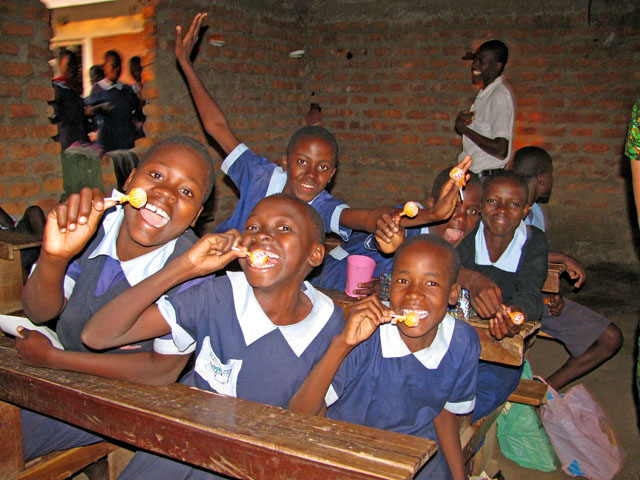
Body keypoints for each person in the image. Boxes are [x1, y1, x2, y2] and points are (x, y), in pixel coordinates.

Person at [80, 194, 346, 479]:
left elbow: (307, 424)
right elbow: (97, 336)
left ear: (315, 254)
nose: (263, 237)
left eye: (284, 229)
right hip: (178, 448)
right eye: (253, 229)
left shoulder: (329, 324)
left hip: (254, 464)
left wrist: (341, 346)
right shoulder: (216, 295)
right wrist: (184, 268)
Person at [174, 14, 463, 239]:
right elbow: (216, 127)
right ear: (285, 162)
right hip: (222, 270)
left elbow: (367, 217)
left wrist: (432, 214)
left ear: (332, 175)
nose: (311, 174)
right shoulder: (259, 176)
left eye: (323, 167)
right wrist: (186, 64)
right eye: (302, 161)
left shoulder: (321, 207)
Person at [16, 136, 214, 461]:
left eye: (186, 191)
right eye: (157, 176)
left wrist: (53, 360)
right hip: (57, 369)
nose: (166, 193)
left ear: (196, 216)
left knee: (13, 430)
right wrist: (54, 257)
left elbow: (158, 372)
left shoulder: (195, 271)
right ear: (129, 180)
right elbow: (38, 311)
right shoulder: (95, 225)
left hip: (124, 396)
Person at [289, 234, 480, 480]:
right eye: (403, 280)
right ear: (389, 287)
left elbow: (443, 412)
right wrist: (342, 344)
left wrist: (458, 476)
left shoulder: (462, 342)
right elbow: (299, 415)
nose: (414, 294)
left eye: (431, 284)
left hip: (415, 453)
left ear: (453, 294)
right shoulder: (365, 337)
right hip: (349, 450)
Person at [511, 146, 623, 390]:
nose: (552, 180)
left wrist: (550, 292)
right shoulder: (507, 209)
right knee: (611, 338)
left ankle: (544, 389)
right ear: (541, 177)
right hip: (512, 297)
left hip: (533, 295)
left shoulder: (535, 213)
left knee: (610, 337)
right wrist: (561, 258)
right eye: (551, 174)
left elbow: (530, 261)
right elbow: (512, 255)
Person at [455, 170, 548, 421]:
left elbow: (531, 295)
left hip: (499, 343)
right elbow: (442, 265)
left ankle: (457, 431)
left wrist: (514, 316)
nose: (502, 210)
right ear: (482, 204)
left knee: (490, 385)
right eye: (493, 201)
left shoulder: (533, 242)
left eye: (514, 204)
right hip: (459, 336)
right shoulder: (466, 234)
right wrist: (468, 280)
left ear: (526, 210)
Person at [309, 169, 481, 295]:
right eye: (453, 207)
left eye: (472, 211)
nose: (462, 219)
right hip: (324, 286)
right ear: (432, 204)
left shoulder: (461, 248)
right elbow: (386, 221)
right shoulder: (410, 218)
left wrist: (388, 287)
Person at [455, 40, 515, 176]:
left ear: (497, 66)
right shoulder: (486, 93)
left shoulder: (498, 95)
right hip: (476, 175)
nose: (475, 64)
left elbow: (500, 149)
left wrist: (464, 129)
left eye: (482, 61)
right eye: (475, 60)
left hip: (485, 178)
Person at [85, 50, 141, 154]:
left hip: (125, 138)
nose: (117, 69)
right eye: (113, 66)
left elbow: (136, 110)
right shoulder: (98, 88)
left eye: (119, 66)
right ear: (105, 67)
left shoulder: (125, 89)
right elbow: (87, 111)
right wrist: (100, 108)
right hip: (108, 139)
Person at [51, 48, 89, 151]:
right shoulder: (56, 89)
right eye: (69, 64)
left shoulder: (75, 88)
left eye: (75, 65)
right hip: (67, 141)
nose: (73, 68)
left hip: (81, 139)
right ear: (60, 64)